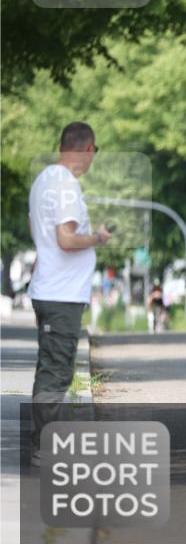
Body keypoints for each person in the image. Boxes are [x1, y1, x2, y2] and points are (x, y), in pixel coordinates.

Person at [27, 122, 112, 466]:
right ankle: (43, 446)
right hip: (61, 293)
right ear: (88, 149)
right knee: (56, 371)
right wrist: (98, 238)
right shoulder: (66, 186)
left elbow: (38, 232)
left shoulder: (44, 180)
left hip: (49, 287)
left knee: (51, 366)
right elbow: (66, 238)